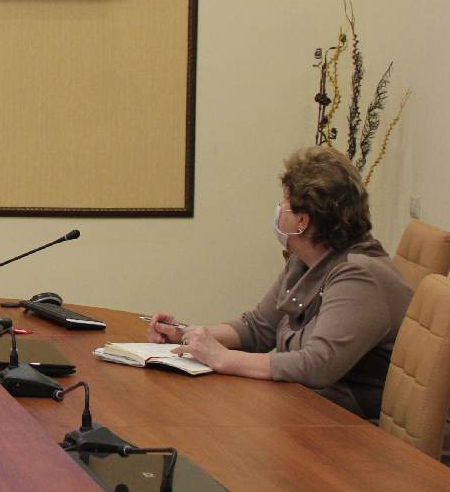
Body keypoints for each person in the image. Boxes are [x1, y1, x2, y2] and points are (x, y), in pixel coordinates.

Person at [146, 145, 412, 420]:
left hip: (348, 426)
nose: (277, 210)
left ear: (302, 221)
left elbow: (317, 365)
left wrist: (222, 358)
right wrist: (189, 336)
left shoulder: (359, 276)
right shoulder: (306, 260)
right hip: (308, 409)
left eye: (283, 203)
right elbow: (258, 327)